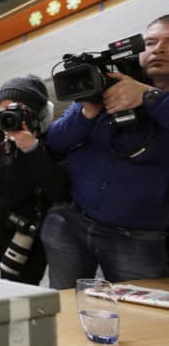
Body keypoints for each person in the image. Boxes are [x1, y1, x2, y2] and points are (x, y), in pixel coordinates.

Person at [41, 15, 169, 289]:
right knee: (64, 305)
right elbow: (55, 141)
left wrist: (149, 97)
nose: (158, 49)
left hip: (139, 236)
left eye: (168, 43)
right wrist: (87, 111)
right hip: (72, 223)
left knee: (139, 310)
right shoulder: (105, 83)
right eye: (151, 42)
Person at [0, 75, 69, 285]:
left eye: (19, 110)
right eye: (4, 110)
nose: (10, 116)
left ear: (37, 114)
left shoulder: (51, 140)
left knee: (21, 294)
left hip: (27, 235)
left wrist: (32, 148)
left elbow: (59, 191)